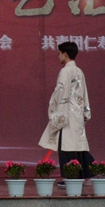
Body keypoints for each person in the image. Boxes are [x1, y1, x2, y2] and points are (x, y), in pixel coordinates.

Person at [38, 41, 94, 181]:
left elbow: (60, 93)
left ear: (65, 54)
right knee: (77, 147)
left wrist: (56, 113)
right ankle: (79, 177)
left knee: (66, 147)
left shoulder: (65, 71)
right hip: (77, 115)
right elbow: (84, 94)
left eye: (60, 53)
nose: (58, 56)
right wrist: (85, 113)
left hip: (67, 115)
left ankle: (70, 178)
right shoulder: (79, 72)